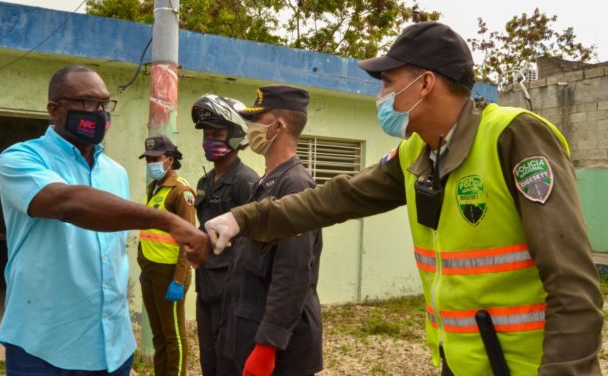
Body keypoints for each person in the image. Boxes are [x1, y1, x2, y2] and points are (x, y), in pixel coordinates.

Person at [203, 23, 604, 376]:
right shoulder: (418, 153)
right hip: (461, 362)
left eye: (388, 83)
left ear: (425, 83)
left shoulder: (513, 137)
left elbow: (574, 285)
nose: (381, 95)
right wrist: (242, 220)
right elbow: (336, 198)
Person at [0, 64, 209, 375]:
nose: (99, 112)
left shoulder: (114, 172)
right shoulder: (21, 159)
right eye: (86, 102)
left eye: (104, 103)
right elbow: (67, 203)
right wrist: (169, 222)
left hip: (112, 347)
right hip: (43, 347)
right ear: (54, 110)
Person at [216, 86, 324, 376]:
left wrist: (267, 346)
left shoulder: (296, 186)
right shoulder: (266, 184)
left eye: (257, 119)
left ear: (279, 125)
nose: (251, 128)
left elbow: (293, 273)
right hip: (249, 331)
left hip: (279, 353)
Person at [191, 94, 259, 376]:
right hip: (205, 285)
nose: (210, 139)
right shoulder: (204, 181)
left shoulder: (247, 181)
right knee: (208, 357)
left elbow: (254, 239)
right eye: (207, 133)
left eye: (217, 133)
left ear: (236, 135)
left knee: (229, 360)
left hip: (233, 290)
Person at [137, 134, 196, 376]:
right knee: (159, 335)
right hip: (150, 270)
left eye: (156, 158)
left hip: (170, 272)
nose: (151, 162)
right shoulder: (155, 187)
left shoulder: (180, 191)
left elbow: (188, 237)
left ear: (169, 159)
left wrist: (179, 279)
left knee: (174, 338)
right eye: (148, 158)